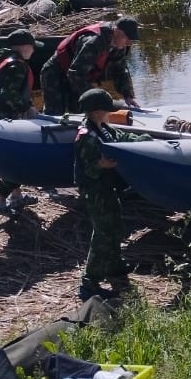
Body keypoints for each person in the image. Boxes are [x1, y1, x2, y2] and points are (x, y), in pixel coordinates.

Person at [74, 88, 148, 300]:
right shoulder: (87, 136)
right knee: (103, 233)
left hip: (108, 189)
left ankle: (114, 266)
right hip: (95, 192)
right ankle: (89, 281)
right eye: (107, 110)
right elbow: (88, 167)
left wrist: (144, 140)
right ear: (97, 112)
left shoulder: (103, 128)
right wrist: (102, 164)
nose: (110, 113)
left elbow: (121, 137)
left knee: (115, 227)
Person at [0, 28, 44, 214]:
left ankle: (17, 196)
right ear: (24, 47)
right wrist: (26, 108)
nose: (33, 51)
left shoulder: (2, 59)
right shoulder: (17, 65)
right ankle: (0, 201)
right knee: (16, 159)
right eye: (32, 47)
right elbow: (9, 93)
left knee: (8, 156)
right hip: (6, 118)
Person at [40, 17, 140, 115]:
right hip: (55, 74)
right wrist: (95, 95)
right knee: (55, 112)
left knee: (81, 109)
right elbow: (75, 74)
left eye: (131, 40)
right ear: (117, 31)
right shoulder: (93, 42)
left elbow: (120, 71)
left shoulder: (119, 45)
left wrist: (128, 95)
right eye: (127, 38)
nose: (129, 43)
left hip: (76, 76)